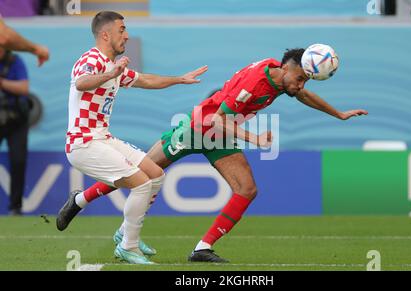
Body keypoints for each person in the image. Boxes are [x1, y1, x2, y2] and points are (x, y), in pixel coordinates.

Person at [57, 47, 368, 263]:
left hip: (220, 135)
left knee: (247, 189)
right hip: (197, 128)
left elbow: (304, 95)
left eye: (304, 81)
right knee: (140, 172)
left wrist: (338, 114)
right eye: (300, 79)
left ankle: (203, 248)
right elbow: (217, 120)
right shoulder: (256, 82)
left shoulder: (280, 73)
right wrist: (255, 138)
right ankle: (80, 200)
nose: (301, 86)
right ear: (288, 69)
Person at [56, 11, 207, 265]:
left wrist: (179, 79)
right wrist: (110, 74)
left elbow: (146, 79)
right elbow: (82, 83)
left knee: (156, 174)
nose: (126, 35)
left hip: (102, 138)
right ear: (106, 34)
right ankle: (129, 247)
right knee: (141, 184)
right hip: (83, 143)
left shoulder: (114, 67)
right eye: (122, 30)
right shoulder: (92, 59)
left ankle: (124, 233)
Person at [0, 47, 30, 215]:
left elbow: (24, 88)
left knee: (18, 161)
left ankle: (16, 207)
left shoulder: (15, 61)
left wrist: (2, 83)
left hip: (15, 119)